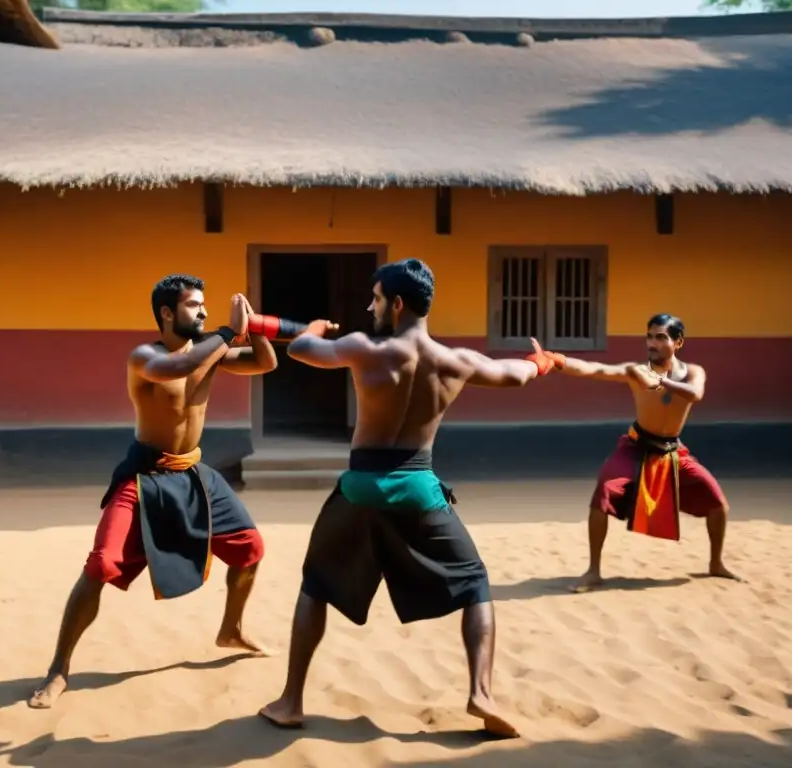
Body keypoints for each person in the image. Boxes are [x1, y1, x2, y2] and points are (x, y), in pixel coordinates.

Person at [258, 258, 556, 739]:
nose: (369, 307)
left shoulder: (364, 349)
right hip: (418, 489)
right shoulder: (455, 361)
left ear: (396, 304)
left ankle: (291, 701)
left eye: (375, 299)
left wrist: (310, 330)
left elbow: (306, 350)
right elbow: (515, 374)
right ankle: (481, 693)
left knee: (316, 584)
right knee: (475, 584)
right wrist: (542, 361)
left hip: (361, 488)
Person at [29, 275, 292, 709]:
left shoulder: (210, 351)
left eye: (205, 306)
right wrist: (228, 333)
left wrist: (255, 327)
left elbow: (265, 365)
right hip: (145, 476)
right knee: (102, 564)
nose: (204, 313)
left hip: (193, 473)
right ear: (167, 313)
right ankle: (59, 669)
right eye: (194, 306)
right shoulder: (146, 357)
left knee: (251, 548)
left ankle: (231, 629)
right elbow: (179, 368)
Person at [535, 314, 738, 592]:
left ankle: (716, 563)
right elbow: (595, 369)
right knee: (603, 494)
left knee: (718, 503)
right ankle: (593, 571)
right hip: (636, 446)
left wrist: (662, 383)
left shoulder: (693, 372)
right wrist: (555, 360)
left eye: (660, 337)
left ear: (678, 342)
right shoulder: (636, 371)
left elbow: (695, 394)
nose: (652, 343)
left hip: (673, 450)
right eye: (649, 336)